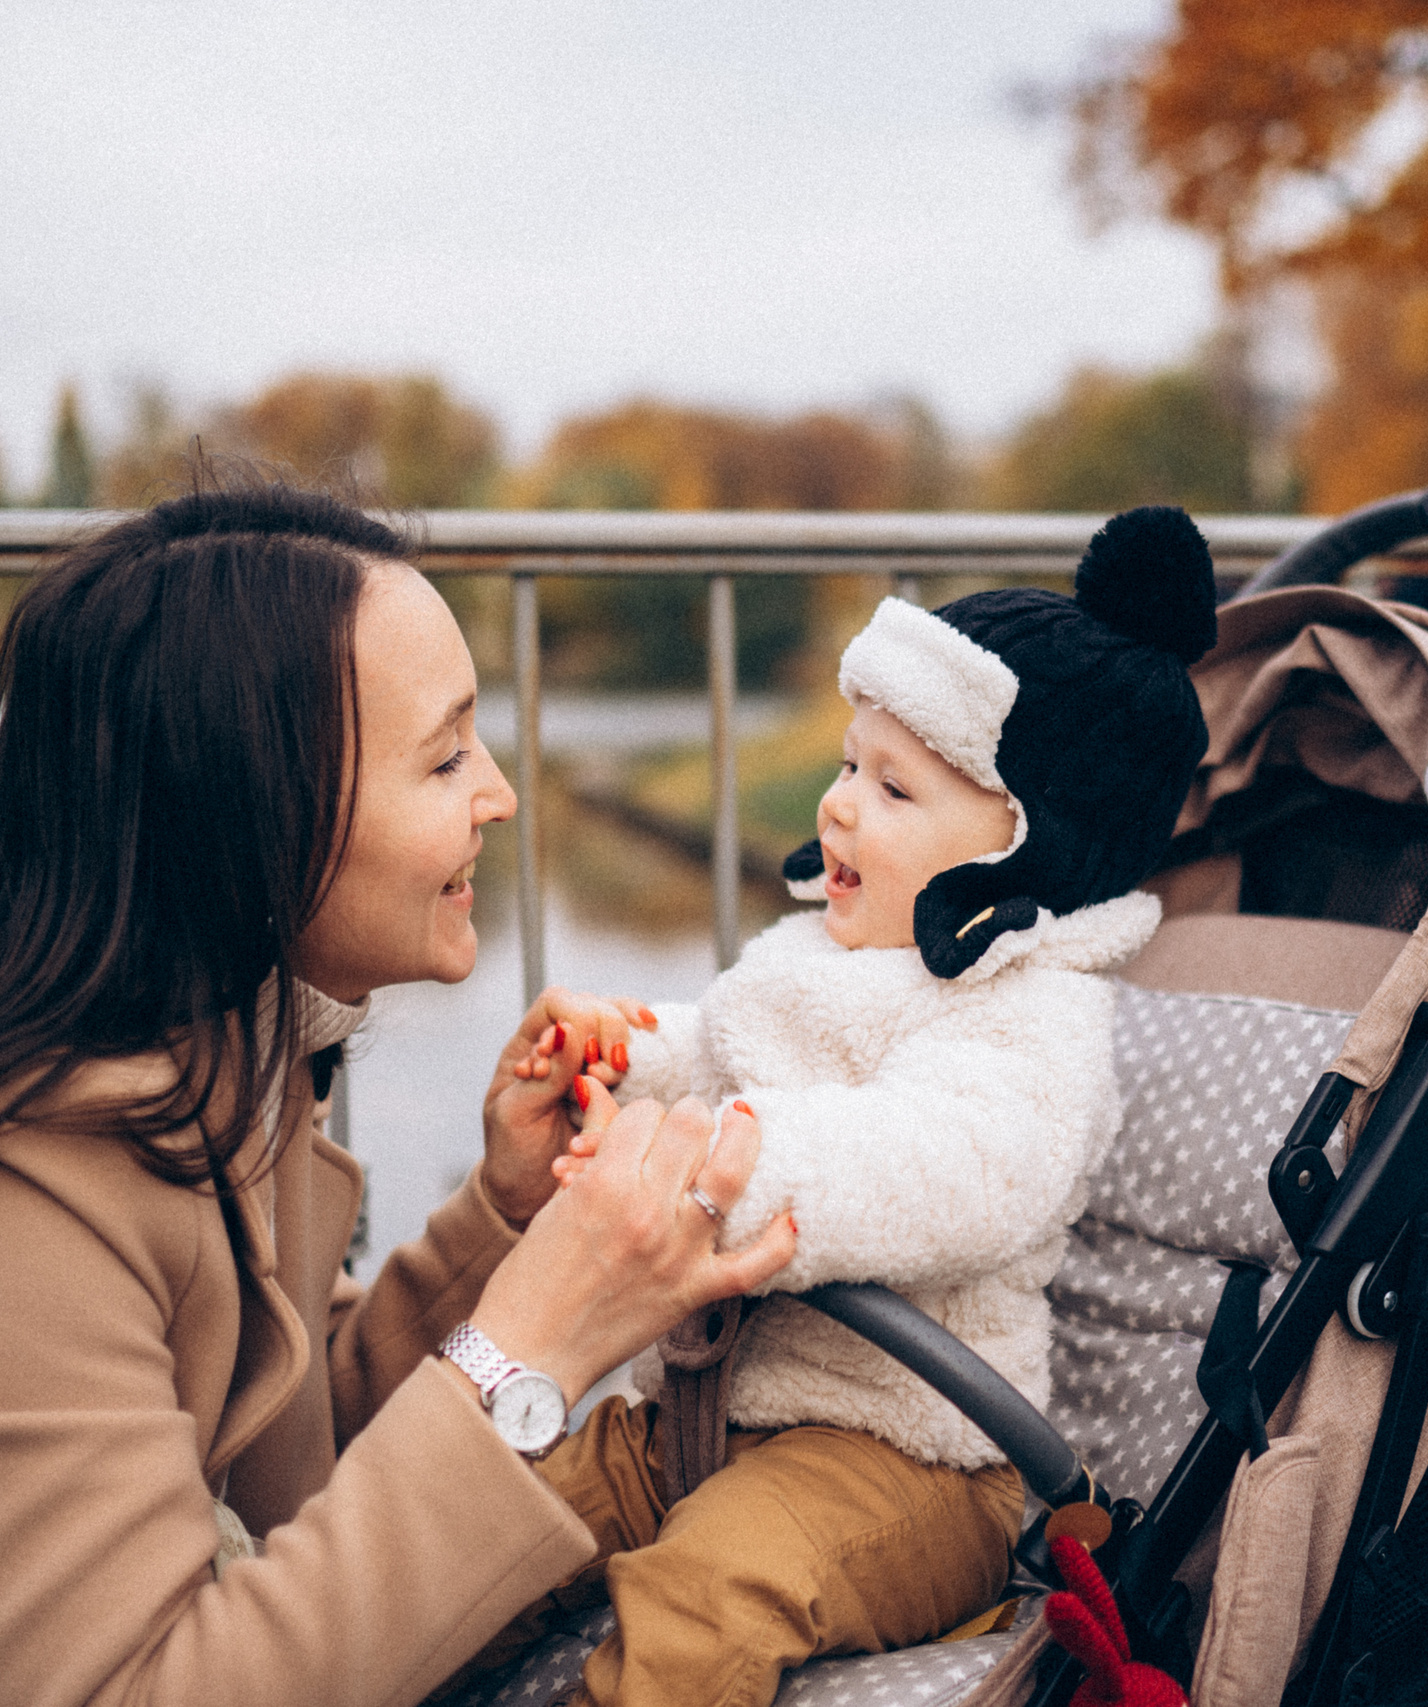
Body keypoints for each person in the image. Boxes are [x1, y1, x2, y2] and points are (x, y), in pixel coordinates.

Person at [0, 481, 793, 1707]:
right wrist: (537, 1348)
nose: (499, 794)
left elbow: (280, 1459)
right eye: (447, 751)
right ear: (250, 805)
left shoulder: (209, 1053)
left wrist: (501, 1228)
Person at [476, 506, 1221, 1707]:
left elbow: (941, 1165)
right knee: (490, 1521)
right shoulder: (820, 953)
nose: (836, 806)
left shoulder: (1031, 1020)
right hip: (696, 1420)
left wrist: (732, 1164)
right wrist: (622, 1056)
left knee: (698, 1597)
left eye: (893, 787)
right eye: (844, 764)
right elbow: (725, 1047)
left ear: (1026, 850)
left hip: (904, 1463)